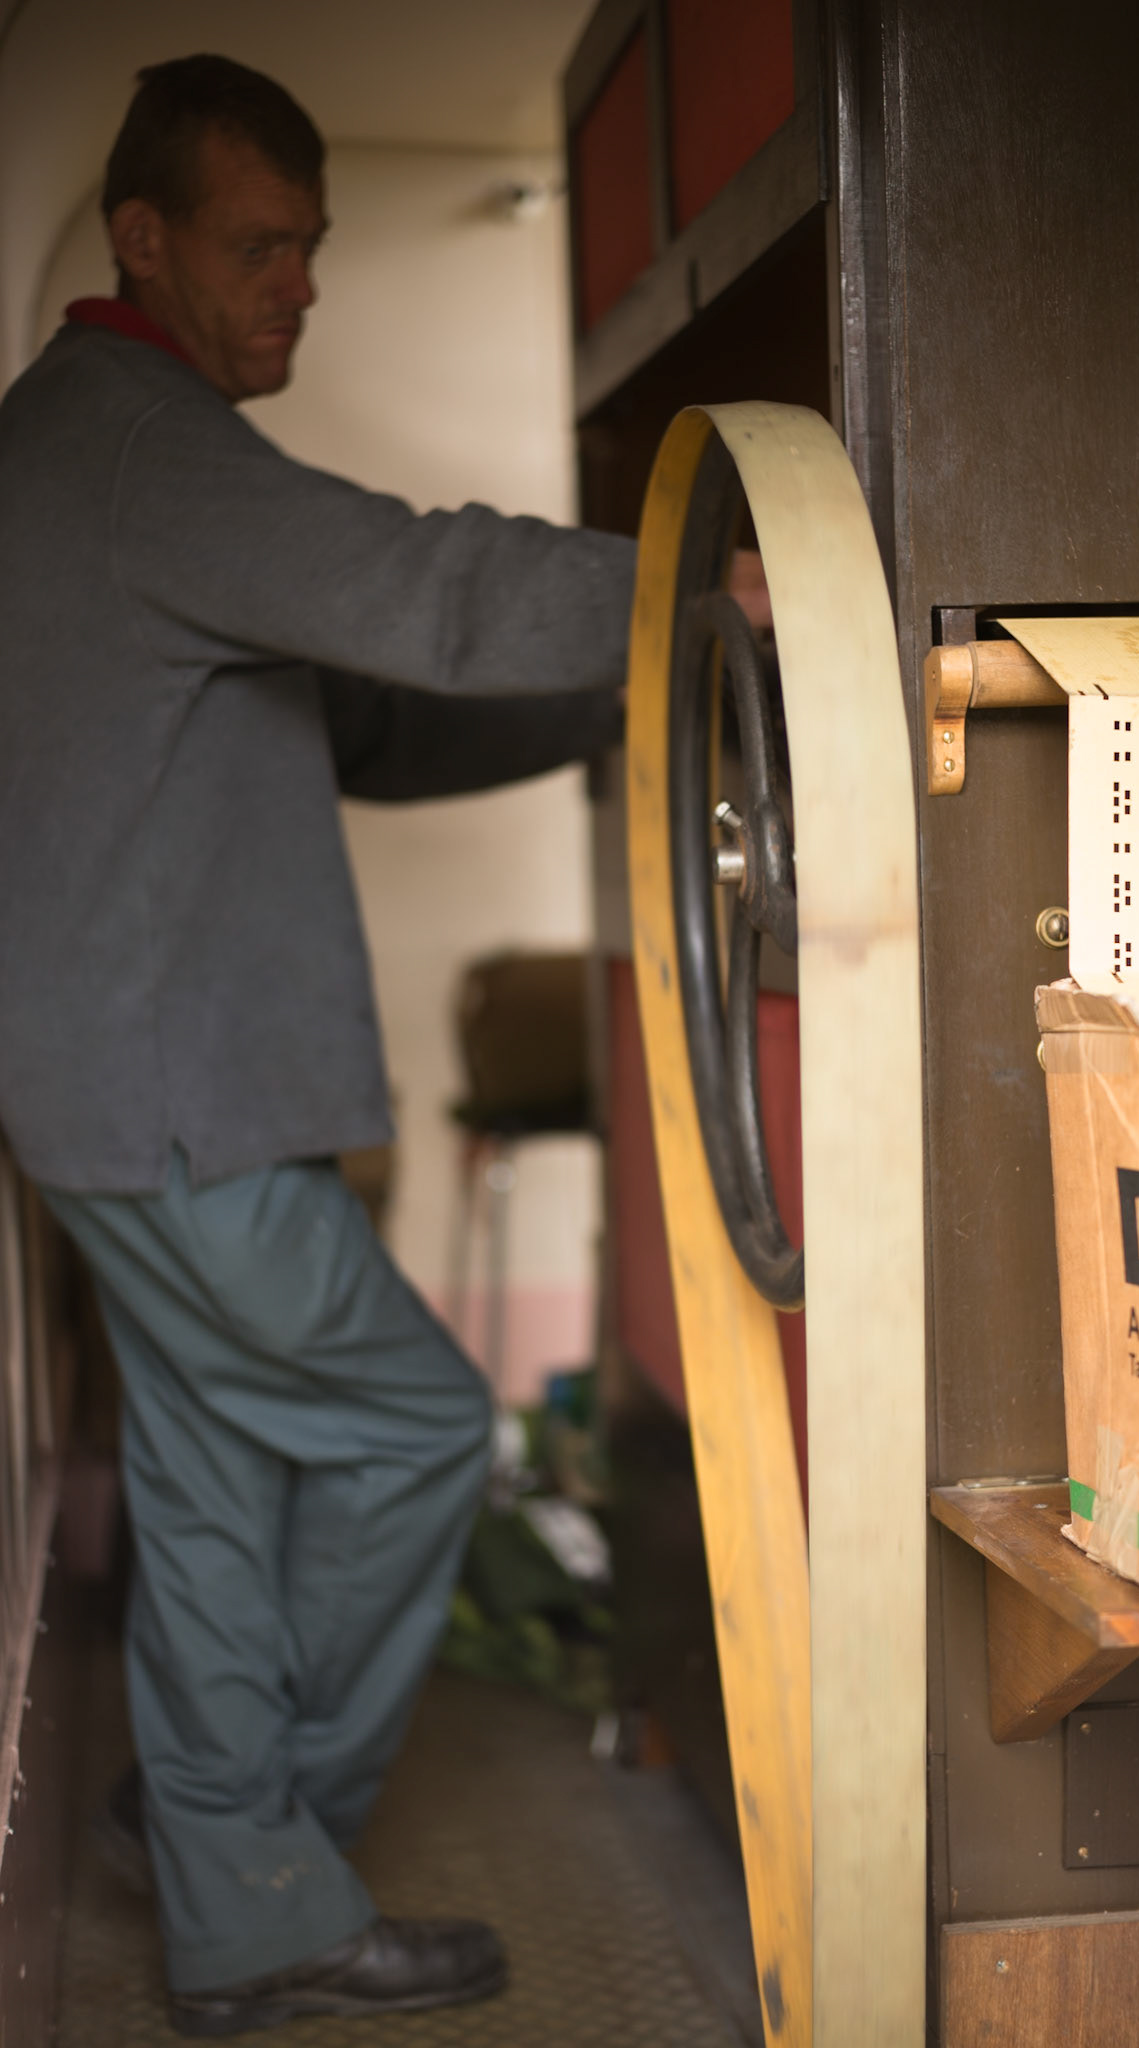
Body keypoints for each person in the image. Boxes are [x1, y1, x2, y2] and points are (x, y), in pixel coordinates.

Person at [0, 53, 640, 2037]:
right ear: (147, 241)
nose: (297, 288)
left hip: (124, 1102)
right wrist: (706, 588)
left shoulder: (94, 461)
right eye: (260, 247)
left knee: (206, 1485)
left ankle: (214, 1850)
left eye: (315, 252)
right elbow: (425, 586)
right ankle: (258, 1859)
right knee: (416, 1427)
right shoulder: (140, 446)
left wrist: (619, 696)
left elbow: (358, 719)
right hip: (180, 1110)